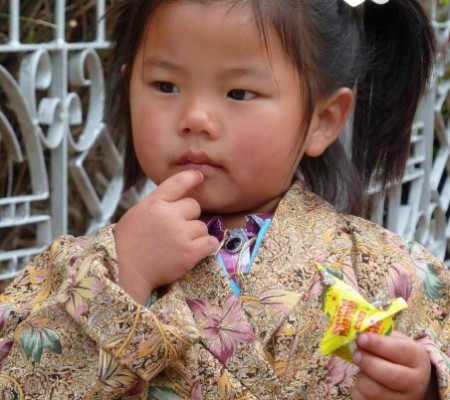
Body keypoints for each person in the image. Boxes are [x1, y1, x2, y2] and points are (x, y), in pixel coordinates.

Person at [0, 0, 449, 398]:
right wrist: (124, 277)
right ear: (128, 89)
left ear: (323, 120)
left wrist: (424, 387)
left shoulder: (391, 272)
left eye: (239, 93)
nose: (195, 117)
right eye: (165, 85)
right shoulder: (77, 269)